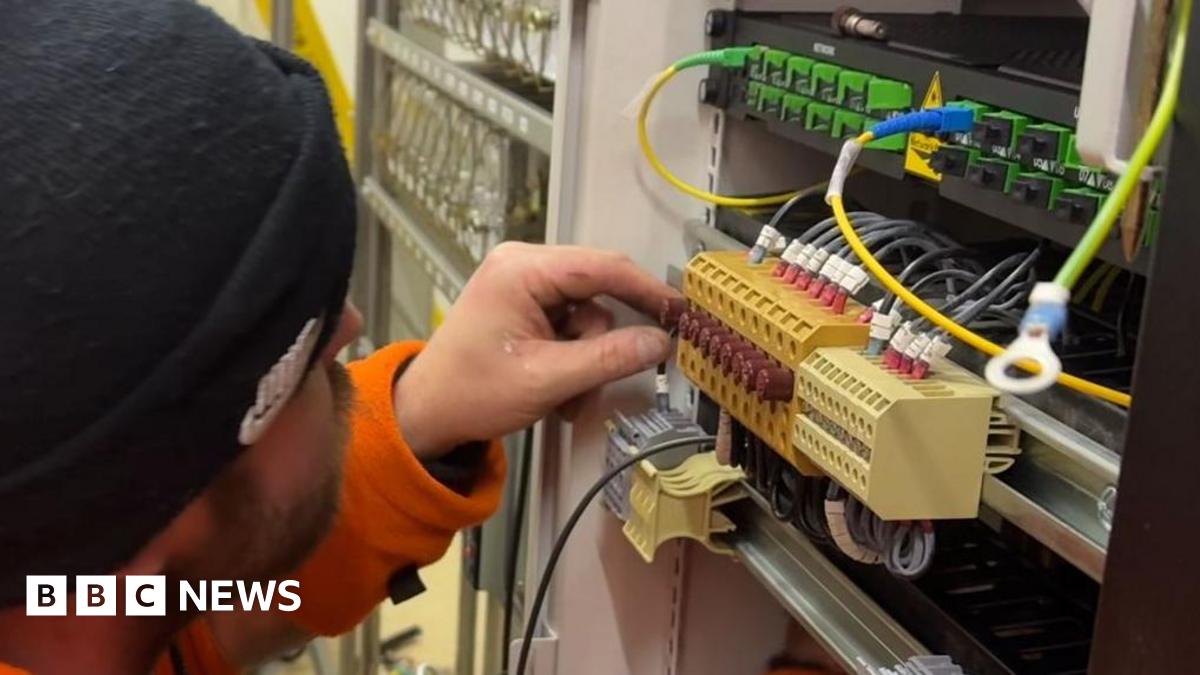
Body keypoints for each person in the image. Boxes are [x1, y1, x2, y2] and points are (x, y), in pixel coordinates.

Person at [0, 2, 677, 673]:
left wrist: (418, 412)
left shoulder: (57, 597)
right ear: (149, 497)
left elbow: (184, 621)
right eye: (305, 351)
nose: (350, 325)